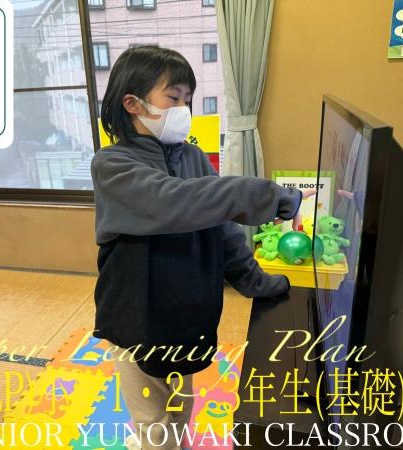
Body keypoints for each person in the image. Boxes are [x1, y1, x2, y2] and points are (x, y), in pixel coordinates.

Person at [90, 46, 311, 450]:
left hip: (187, 314)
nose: (183, 108)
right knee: (153, 419)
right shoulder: (112, 165)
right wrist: (269, 196)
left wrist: (256, 282)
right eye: (172, 97)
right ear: (132, 103)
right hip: (137, 318)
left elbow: (223, 229)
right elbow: (173, 201)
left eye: (187, 99)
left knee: (181, 404)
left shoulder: (192, 157)